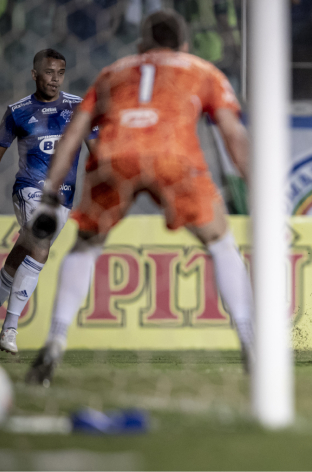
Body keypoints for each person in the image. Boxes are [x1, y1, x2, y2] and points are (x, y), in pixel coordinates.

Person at [24, 9, 254, 384]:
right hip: (174, 159)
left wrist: (50, 194)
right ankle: (250, 342)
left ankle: (54, 342)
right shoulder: (201, 69)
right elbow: (233, 134)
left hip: (114, 156)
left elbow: (72, 135)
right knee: (220, 242)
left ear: (141, 44)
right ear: (184, 44)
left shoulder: (113, 71)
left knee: (85, 247)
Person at [0, 49, 98, 355]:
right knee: (41, 242)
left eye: (60, 72)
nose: (54, 79)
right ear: (35, 75)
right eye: (48, 72)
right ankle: (10, 329)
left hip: (63, 197)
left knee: (21, 255)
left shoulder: (79, 108)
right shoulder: (17, 111)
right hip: (28, 189)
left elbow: (97, 150)